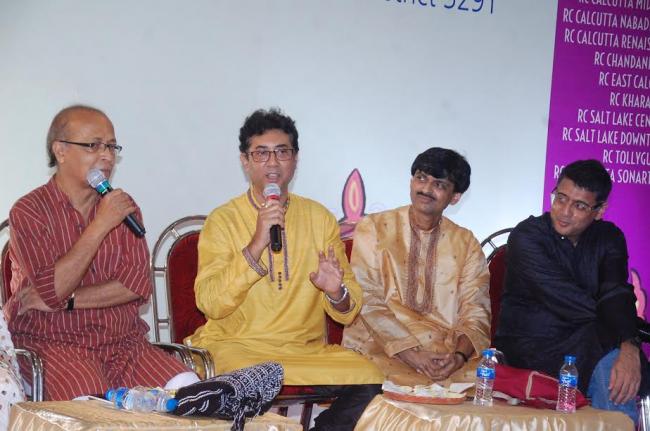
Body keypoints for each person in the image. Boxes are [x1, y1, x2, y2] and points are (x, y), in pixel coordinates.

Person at [187, 108, 383, 431]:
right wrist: (255, 245)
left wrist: (336, 291)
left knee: (370, 377)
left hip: (304, 352)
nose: (273, 163)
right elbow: (210, 303)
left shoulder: (320, 218)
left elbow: (349, 310)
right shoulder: (223, 220)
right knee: (240, 379)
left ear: (295, 159)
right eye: (261, 153)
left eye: (282, 152)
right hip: (240, 348)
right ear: (245, 161)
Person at [4, 105, 197, 401]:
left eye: (111, 146)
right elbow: (52, 288)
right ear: (61, 150)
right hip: (56, 344)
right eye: (94, 146)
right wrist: (100, 224)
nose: (106, 156)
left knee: (189, 392)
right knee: (92, 407)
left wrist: (69, 300)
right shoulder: (29, 211)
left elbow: (136, 286)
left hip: (124, 344)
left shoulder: (122, 205)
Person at [494, 159, 648, 421]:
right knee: (611, 357)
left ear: (599, 210)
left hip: (592, 339)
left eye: (579, 206)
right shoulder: (527, 236)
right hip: (533, 343)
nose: (564, 212)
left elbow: (615, 293)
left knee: (617, 364)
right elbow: (566, 299)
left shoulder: (609, 236)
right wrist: (626, 333)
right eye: (561, 198)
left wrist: (629, 345)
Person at [342, 147, 491, 386]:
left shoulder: (466, 243)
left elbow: (476, 310)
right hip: (381, 347)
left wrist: (459, 357)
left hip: (444, 355)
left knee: (484, 387)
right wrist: (411, 354)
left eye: (439, 184)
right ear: (411, 181)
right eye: (421, 178)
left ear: (455, 196)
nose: (426, 189)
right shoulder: (374, 227)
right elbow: (366, 298)